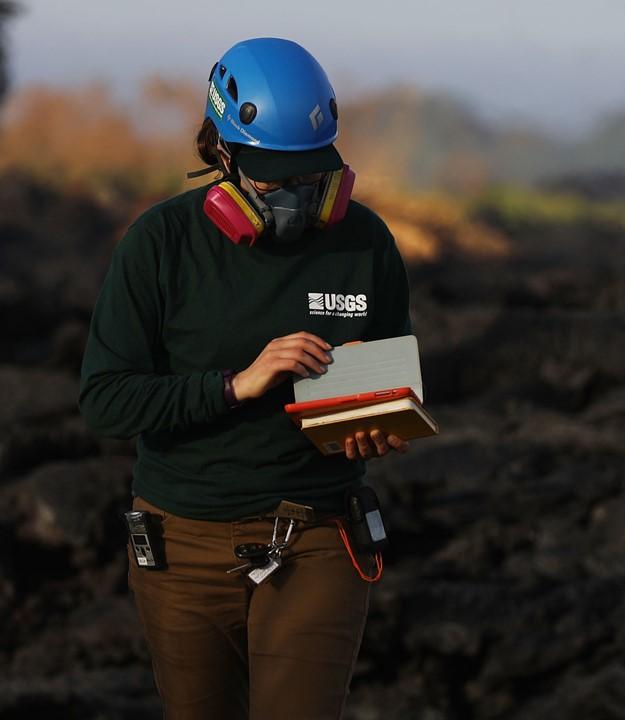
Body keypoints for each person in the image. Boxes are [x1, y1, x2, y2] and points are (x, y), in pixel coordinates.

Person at [79, 37, 410, 719]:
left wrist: (375, 425)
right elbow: (106, 401)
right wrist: (236, 384)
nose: (292, 193)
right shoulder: (159, 244)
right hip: (183, 545)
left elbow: (387, 375)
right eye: (270, 176)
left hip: (318, 534)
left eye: (307, 174)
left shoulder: (365, 243)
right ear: (220, 151)